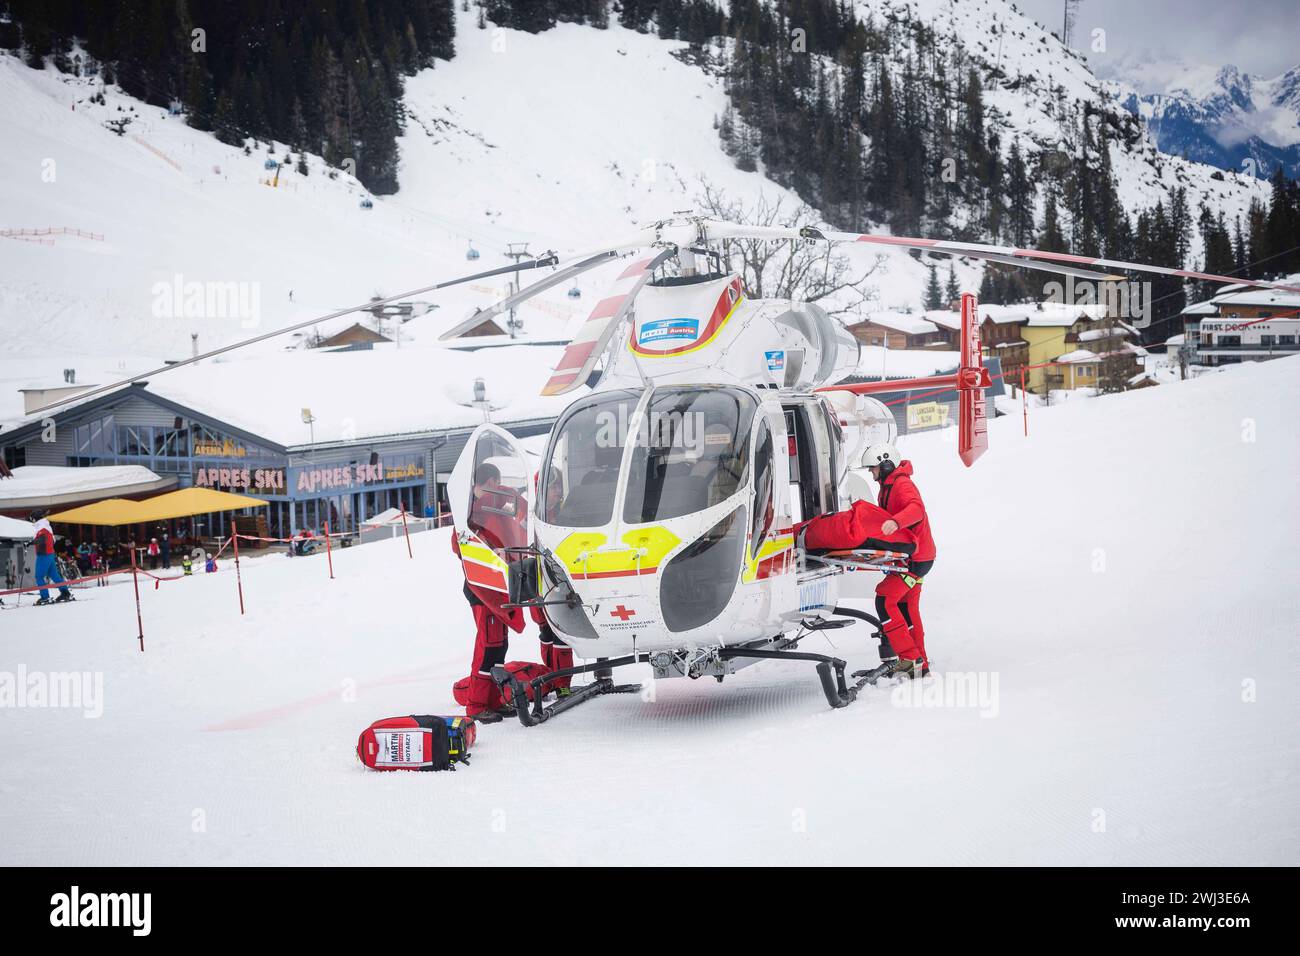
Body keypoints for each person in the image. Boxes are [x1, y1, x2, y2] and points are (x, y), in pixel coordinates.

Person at [451, 463, 528, 722]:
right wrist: (491, 552)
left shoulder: (494, 503)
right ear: (484, 483)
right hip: (482, 590)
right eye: (492, 484)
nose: (495, 489)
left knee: (499, 645)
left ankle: (494, 700)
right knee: (488, 646)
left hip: (498, 587)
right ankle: (475, 705)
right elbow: (459, 544)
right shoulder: (471, 512)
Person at [863, 442, 935, 678]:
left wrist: (896, 522)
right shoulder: (889, 484)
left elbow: (916, 509)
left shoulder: (902, 484)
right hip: (915, 556)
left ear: (885, 464)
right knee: (906, 608)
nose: (872, 474)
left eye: (873, 468)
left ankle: (909, 658)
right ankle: (919, 664)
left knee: (885, 600)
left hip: (915, 559)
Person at [30, 510, 73, 605]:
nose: (31, 520)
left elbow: (41, 540)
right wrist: (32, 542)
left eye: (32, 518)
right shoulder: (45, 525)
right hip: (49, 554)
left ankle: (45, 597)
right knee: (54, 575)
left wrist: (31, 543)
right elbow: (51, 539)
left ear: (35, 518)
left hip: (43, 555)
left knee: (39, 577)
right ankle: (65, 593)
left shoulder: (42, 527)